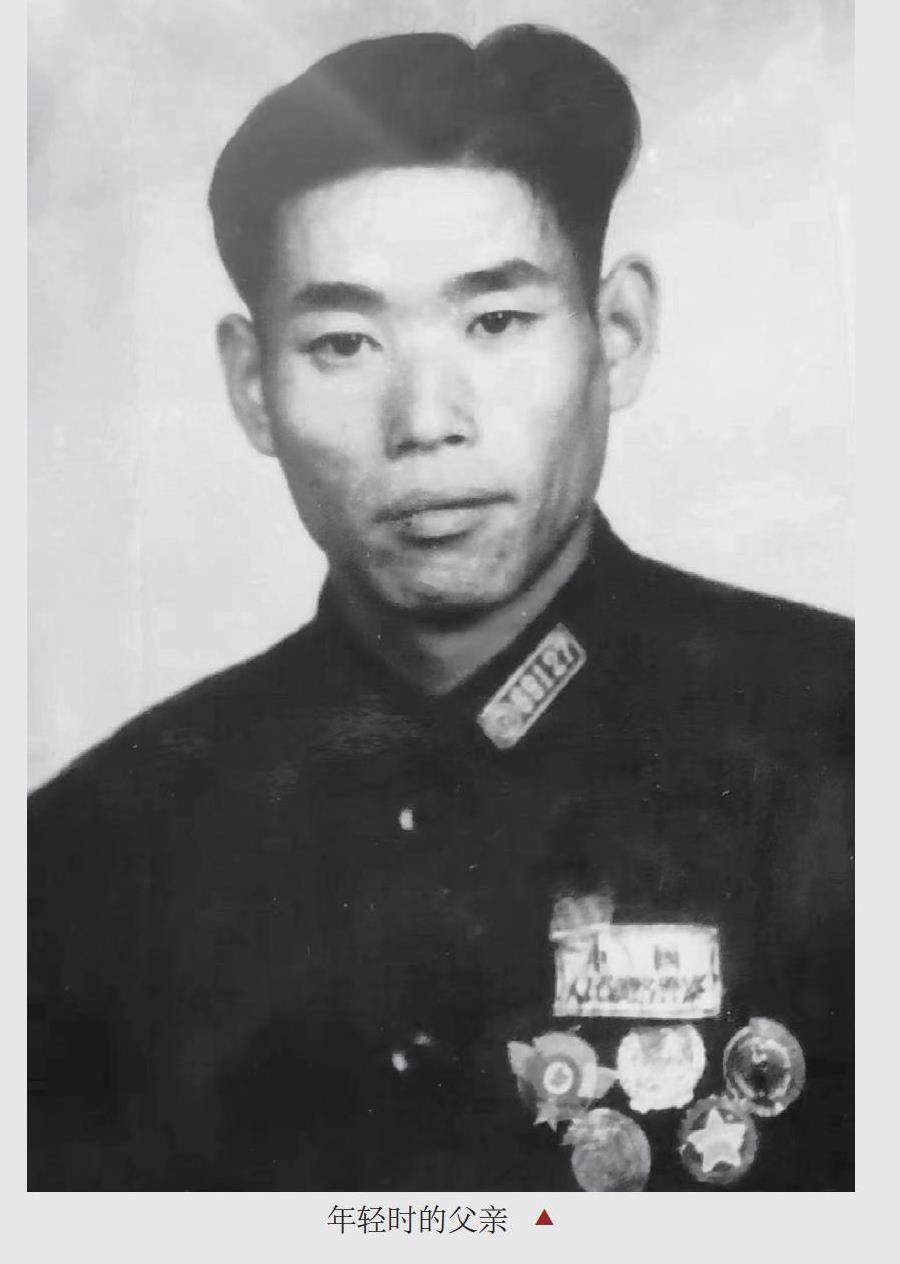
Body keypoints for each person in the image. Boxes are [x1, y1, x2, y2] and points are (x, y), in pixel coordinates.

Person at [28, 25, 852, 1192]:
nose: (425, 420)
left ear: (618, 334)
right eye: (344, 342)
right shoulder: (85, 853)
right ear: (253, 385)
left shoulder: (848, 742)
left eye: (496, 322)